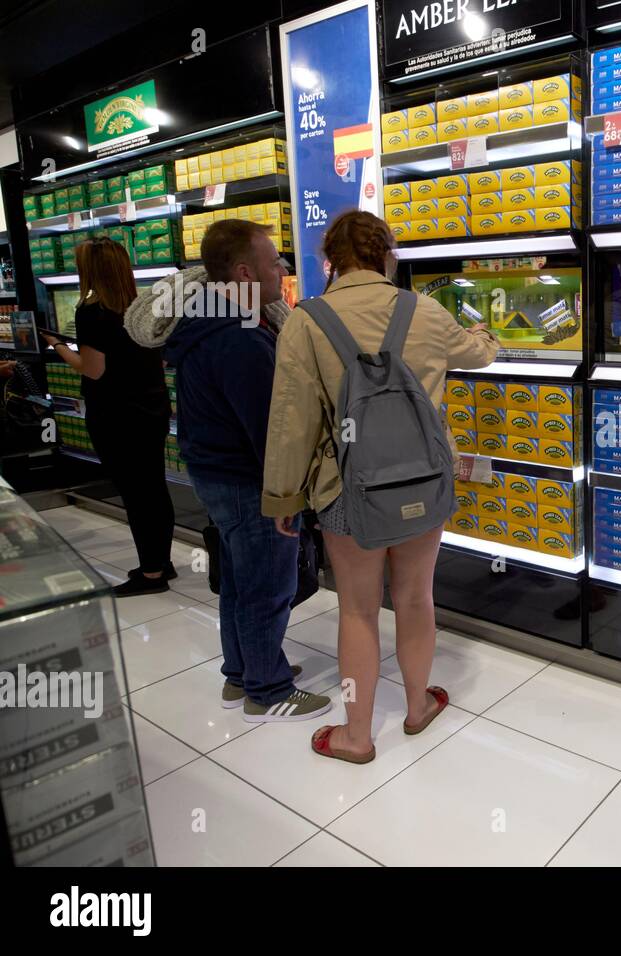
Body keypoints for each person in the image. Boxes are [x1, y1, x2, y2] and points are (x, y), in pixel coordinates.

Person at [262, 210, 497, 763]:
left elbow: (291, 420)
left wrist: (283, 496)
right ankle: (418, 707)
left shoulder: (307, 320)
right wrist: (482, 331)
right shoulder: (425, 310)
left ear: (331, 262)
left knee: (357, 611)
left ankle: (357, 734)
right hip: (424, 481)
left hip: (346, 490)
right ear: (386, 254)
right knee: (416, 597)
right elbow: (479, 353)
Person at [163, 220, 330, 723]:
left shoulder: (210, 325)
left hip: (216, 475)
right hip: (248, 481)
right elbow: (270, 430)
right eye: (273, 260)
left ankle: (241, 672)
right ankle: (268, 687)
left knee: (239, 579)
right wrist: (289, 493)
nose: (282, 268)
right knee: (266, 586)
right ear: (243, 271)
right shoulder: (239, 339)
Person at [43, 237, 175, 596]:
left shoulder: (92, 311)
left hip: (116, 414)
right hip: (152, 408)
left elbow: (93, 369)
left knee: (135, 493)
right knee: (152, 486)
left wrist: (57, 346)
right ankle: (161, 561)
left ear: (91, 270)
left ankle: (151, 574)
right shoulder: (142, 306)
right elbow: (160, 359)